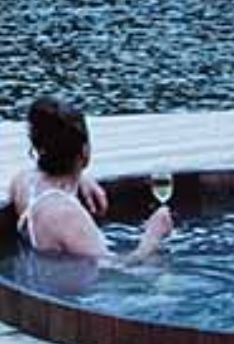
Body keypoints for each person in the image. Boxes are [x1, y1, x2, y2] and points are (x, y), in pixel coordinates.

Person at [9, 97, 174, 263]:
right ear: (84, 151)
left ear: (38, 148)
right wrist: (153, 237)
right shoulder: (65, 215)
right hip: (64, 288)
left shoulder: (24, 182)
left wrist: (80, 176)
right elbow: (118, 269)